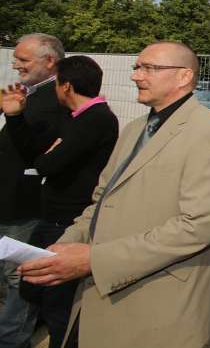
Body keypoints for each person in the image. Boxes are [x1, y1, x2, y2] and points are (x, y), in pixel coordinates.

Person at [19, 42, 210, 348]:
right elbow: (101, 202)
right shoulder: (134, 128)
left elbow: (194, 228)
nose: (136, 76)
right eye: (137, 67)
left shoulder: (209, 131)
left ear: (184, 76)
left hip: (155, 302)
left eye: (149, 68)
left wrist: (94, 259)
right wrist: (64, 246)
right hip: (101, 295)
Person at [4, 55, 115, 348]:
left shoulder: (95, 119)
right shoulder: (77, 117)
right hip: (54, 215)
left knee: (57, 304)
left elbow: (47, 165)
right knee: (37, 290)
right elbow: (40, 155)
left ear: (65, 86)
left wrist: (49, 156)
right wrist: (15, 117)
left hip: (68, 221)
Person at [0, 33, 67, 348]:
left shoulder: (56, 99)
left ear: (49, 61)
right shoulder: (27, 93)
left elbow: (37, 155)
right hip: (8, 198)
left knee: (20, 275)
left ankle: (13, 338)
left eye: (23, 60)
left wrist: (14, 118)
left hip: (22, 204)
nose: (16, 66)